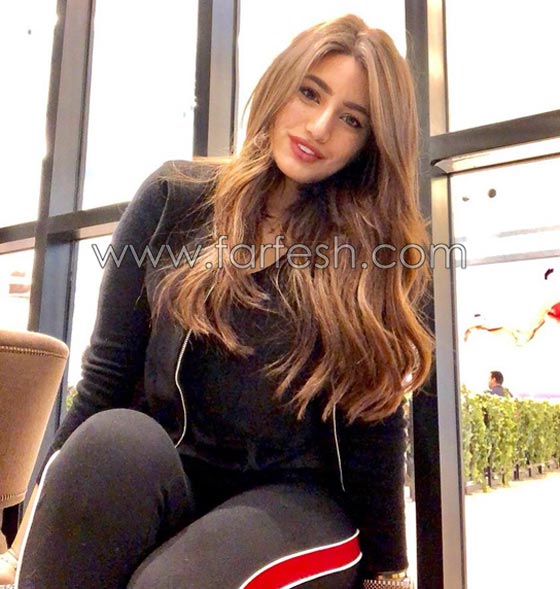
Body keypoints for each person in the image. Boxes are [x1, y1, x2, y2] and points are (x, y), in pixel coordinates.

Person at [8, 14, 432, 589]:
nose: (319, 126)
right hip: (171, 474)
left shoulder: (369, 255)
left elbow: (375, 423)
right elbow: (105, 376)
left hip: (294, 500)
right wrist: (33, 525)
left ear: (369, 143)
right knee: (111, 439)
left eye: (351, 119)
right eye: (310, 92)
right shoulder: (173, 198)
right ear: (280, 84)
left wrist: (389, 572)